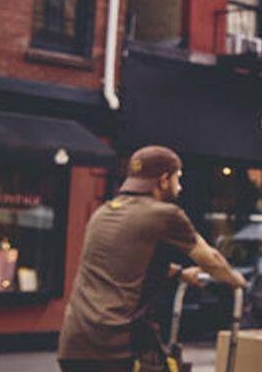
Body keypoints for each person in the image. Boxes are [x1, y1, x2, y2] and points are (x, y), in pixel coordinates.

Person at [58, 146, 245, 372]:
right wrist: (236, 280)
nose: (180, 186)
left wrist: (180, 273)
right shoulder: (165, 214)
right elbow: (211, 260)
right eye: (178, 178)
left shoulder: (104, 212)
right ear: (164, 179)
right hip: (115, 347)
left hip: (74, 344)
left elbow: (128, 266)